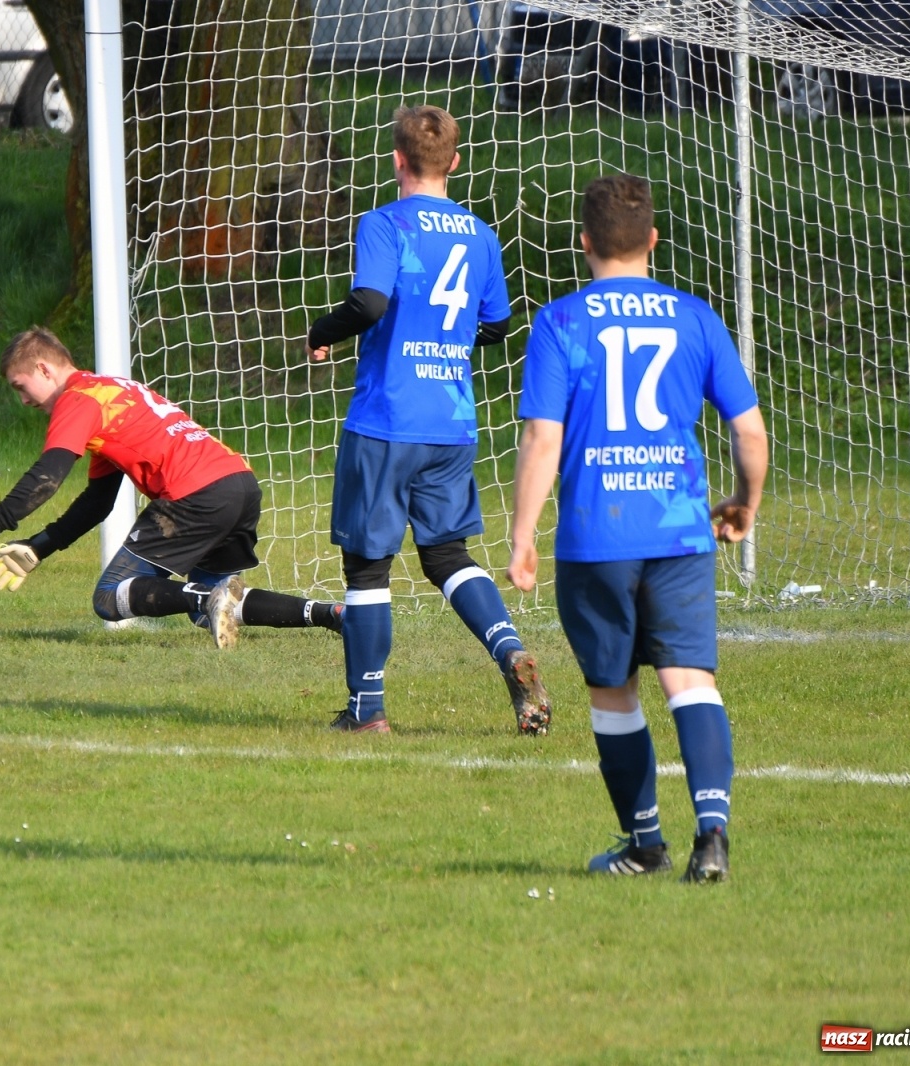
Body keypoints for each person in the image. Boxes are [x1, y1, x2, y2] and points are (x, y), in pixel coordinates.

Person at [505, 174, 769, 883]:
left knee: (614, 691)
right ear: (653, 240)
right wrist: (745, 502)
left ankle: (646, 845)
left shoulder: (561, 323)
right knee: (690, 681)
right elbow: (749, 431)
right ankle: (711, 835)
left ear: (584, 243)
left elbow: (541, 438)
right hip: (679, 530)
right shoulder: (694, 317)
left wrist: (523, 534)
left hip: (597, 536)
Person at [306, 104, 549, 736]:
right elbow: (496, 323)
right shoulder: (480, 235)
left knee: (367, 566)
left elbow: (370, 301)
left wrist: (322, 331)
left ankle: (367, 712)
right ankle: (509, 650)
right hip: (450, 421)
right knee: (447, 554)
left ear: (397, 160)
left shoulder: (384, 223)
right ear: (455, 163)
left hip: (387, 419)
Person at [0, 327, 344, 647]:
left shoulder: (77, 401)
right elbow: (97, 502)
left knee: (108, 596)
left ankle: (208, 598)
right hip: (238, 484)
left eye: (21, 386)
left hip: (196, 492)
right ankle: (332, 615)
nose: (24, 400)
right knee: (217, 598)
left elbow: (48, 475)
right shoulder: (112, 391)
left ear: (45, 370)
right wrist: (39, 547)